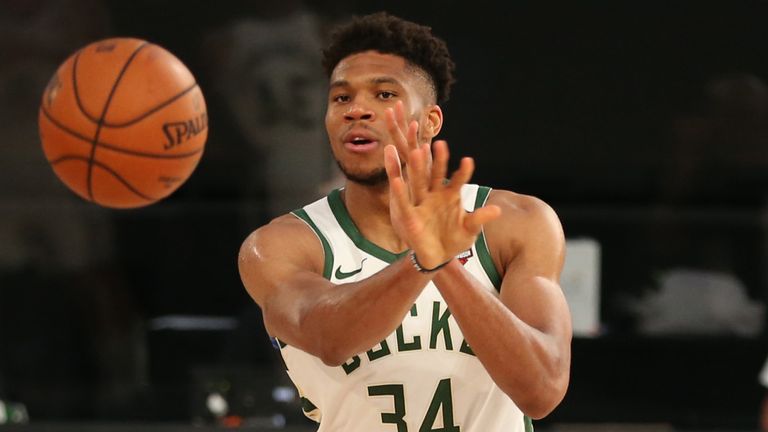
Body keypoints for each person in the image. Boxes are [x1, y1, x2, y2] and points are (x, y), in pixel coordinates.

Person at [238, 11, 572, 431]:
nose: (356, 110)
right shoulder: (284, 244)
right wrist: (422, 263)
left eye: (383, 95)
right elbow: (328, 338)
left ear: (430, 121)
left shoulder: (514, 223)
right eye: (341, 98)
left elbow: (541, 390)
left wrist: (446, 265)